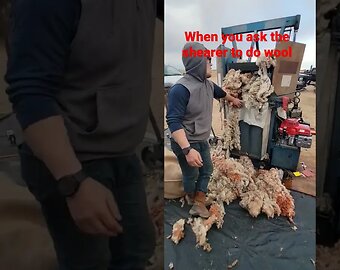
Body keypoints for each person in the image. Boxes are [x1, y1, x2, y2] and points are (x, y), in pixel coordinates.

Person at [4, 0, 162, 269]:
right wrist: (74, 184)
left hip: (120, 150)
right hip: (74, 157)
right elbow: (30, 93)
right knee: (90, 260)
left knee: (137, 246)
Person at [166, 42, 242, 218]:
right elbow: (173, 121)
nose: (212, 63)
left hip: (201, 139)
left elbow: (221, 93)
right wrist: (187, 150)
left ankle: (199, 201)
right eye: (208, 59)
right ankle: (192, 198)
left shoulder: (208, 84)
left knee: (206, 170)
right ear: (198, 61)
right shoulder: (180, 89)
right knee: (191, 174)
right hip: (186, 142)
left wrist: (234, 100)